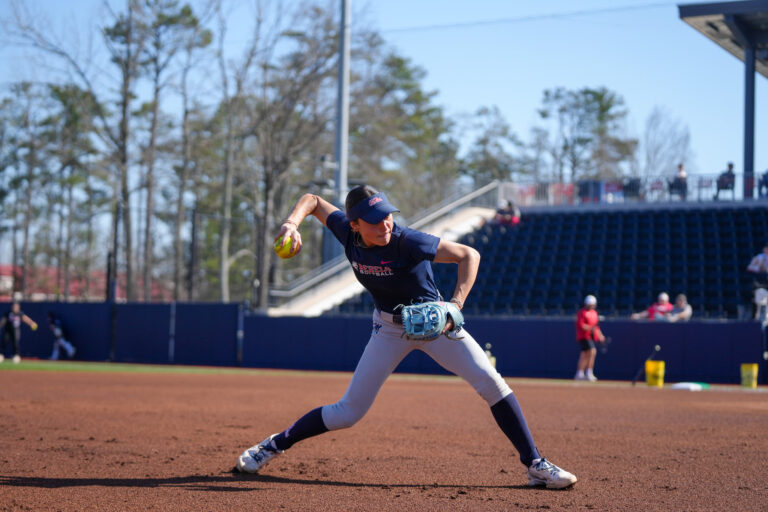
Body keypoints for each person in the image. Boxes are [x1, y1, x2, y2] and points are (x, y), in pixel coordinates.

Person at [235, 185, 577, 489]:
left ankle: (534, 463)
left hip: (434, 325)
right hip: (388, 329)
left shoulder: (407, 241)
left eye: (386, 216)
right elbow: (312, 199)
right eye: (373, 220)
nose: (384, 224)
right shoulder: (346, 231)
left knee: (492, 383)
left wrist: (454, 307)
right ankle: (273, 445)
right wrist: (291, 223)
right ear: (354, 225)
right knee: (348, 412)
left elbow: (468, 255)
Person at [574, 295, 604, 382]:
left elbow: (596, 327)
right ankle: (588, 373)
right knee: (592, 351)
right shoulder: (582, 313)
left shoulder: (594, 313)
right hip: (584, 336)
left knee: (585, 354)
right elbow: (581, 325)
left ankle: (580, 373)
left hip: (591, 337)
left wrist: (600, 335)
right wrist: (591, 328)